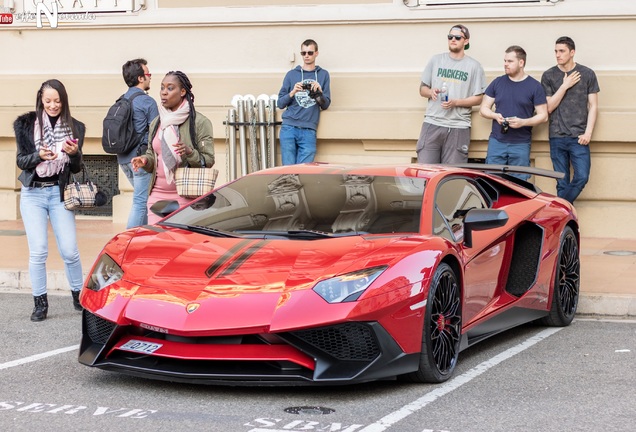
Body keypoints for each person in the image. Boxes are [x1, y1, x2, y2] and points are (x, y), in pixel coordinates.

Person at [14, 79, 85, 321]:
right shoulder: (26, 125)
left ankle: (78, 296)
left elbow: (76, 168)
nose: (53, 105)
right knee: (39, 252)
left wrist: (75, 154)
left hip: (58, 192)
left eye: (57, 101)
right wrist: (38, 156)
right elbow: (21, 161)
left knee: (70, 251)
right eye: (48, 101)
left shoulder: (75, 127)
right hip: (33, 194)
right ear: (41, 100)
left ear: (64, 101)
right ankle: (40, 303)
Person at [131, 71, 215, 225]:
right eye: (162, 88)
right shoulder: (157, 122)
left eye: (170, 88)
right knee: (157, 243)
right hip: (157, 195)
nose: (164, 92)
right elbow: (152, 153)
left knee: (181, 243)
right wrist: (145, 160)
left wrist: (190, 152)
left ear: (182, 92)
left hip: (186, 197)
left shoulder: (200, 123)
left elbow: (208, 160)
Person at [416, 24, 487, 164]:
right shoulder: (436, 60)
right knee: (426, 171)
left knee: (452, 175)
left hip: (458, 126)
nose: (453, 40)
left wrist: (456, 102)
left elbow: (479, 98)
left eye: (457, 37)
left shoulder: (474, 66)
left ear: (466, 41)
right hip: (433, 122)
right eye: (450, 37)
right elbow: (422, 89)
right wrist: (431, 92)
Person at [541, 36, 600, 203]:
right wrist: (564, 85)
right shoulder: (549, 75)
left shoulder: (587, 74)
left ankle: (559, 207)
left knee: (582, 176)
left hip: (579, 137)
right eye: (556, 51)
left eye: (562, 51)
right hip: (557, 136)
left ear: (572, 52)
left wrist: (588, 133)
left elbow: (593, 106)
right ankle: (564, 221)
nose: (558, 55)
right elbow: (549, 107)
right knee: (561, 183)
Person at [479, 45, 548, 180]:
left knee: (520, 184)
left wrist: (523, 122)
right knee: (491, 183)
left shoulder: (534, 86)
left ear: (521, 63)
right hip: (497, 141)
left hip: (521, 143)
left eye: (510, 61)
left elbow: (543, 116)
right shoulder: (497, 82)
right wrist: (495, 116)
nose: (505, 64)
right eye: (505, 61)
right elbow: (483, 109)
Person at [119, 59, 159, 228]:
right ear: (141, 78)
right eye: (148, 74)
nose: (150, 78)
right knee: (141, 202)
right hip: (141, 160)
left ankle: (141, 237)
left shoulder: (121, 99)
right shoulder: (147, 102)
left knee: (142, 200)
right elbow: (156, 133)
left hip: (123, 159)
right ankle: (129, 242)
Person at [277, 39, 331, 165]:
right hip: (289, 127)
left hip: (309, 129)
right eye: (303, 53)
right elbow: (280, 103)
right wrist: (292, 92)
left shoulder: (323, 75)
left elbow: (326, 104)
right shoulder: (291, 74)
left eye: (310, 53)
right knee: (288, 172)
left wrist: (319, 92)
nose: (306, 56)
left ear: (316, 53)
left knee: (305, 171)